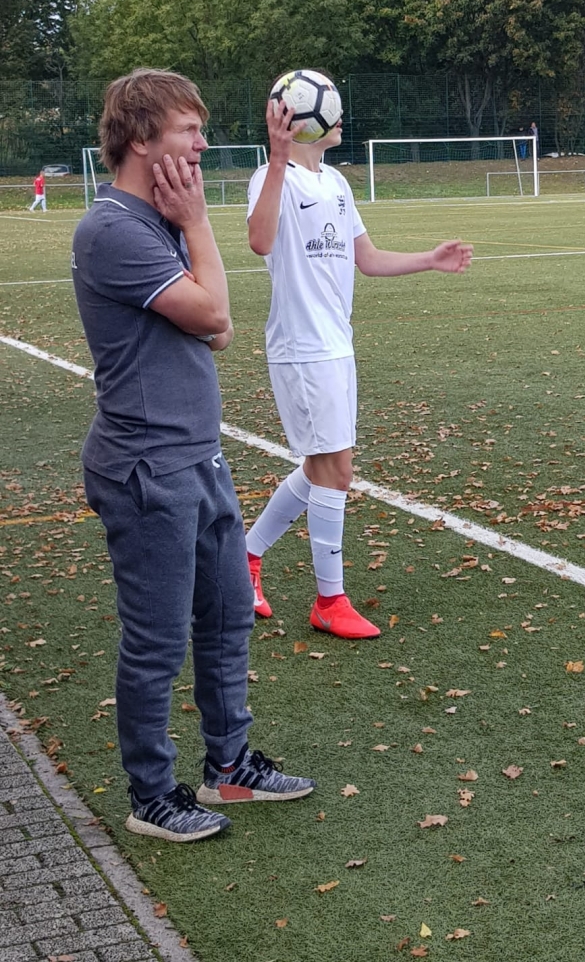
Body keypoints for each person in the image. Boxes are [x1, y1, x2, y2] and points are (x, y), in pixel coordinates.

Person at [71, 68, 315, 844]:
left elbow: (220, 331)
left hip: (196, 457)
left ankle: (229, 766)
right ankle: (152, 797)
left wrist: (192, 244)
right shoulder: (113, 228)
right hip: (146, 466)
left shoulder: (160, 220)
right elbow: (212, 311)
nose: (203, 143)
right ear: (143, 138)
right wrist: (200, 226)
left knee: (228, 613)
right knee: (157, 642)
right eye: (188, 129)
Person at [245, 77, 473, 637]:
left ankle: (243, 557)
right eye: (330, 105)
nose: (340, 114)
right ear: (302, 118)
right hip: (302, 348)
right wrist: (277, 159)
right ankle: (329, 601)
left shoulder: (338, 183)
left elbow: (366, 259)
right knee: (337, 469)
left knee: (320, 468)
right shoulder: (272, 177)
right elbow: (260, 240)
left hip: (337, 345)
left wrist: (429, 259)